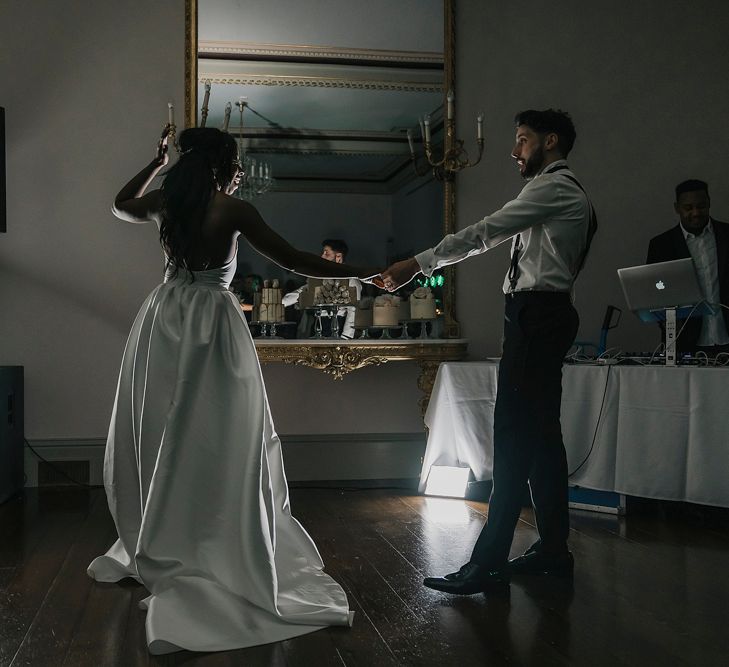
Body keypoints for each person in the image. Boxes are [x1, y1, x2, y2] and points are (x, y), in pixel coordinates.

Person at [87, 125, 380, 654]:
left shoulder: (166, 204)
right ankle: (212, 533)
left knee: (165, 428)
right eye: (237, 162)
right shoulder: (231, 210)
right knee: (222, 432)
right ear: (222, 164)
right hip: (212, 323)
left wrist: (155, 161)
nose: (242, 171)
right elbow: (292, 259)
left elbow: (119, 204)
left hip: (163, 317)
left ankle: (171, 529)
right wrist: (360, 273)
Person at [381, 109, 596, 595]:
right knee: (541, 439)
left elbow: (486, 232)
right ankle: (554, 552)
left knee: (514, 437)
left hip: (536, 316)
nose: (515, 149)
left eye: (523, 140)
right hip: (542, 314)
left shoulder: (553, 187)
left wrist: (418, 262)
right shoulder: (562, 190)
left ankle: (491, 560)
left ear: (551, 141)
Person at [646, 179, 729, 355]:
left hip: (726, 334)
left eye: (701, 206)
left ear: (709, 203)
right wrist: (665, 318)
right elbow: (652, 292)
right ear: (677, 208)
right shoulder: (661, 245)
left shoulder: (727, 235)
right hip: (684, 339)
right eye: (688, 208)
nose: (696, 212)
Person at [283, 239, 362, 338]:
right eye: (323, 252)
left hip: (339, 326)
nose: (322, 256)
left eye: (326, 254)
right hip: (318, 325)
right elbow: (303, 291)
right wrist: (280, 303)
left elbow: (353, 310)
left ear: (338, 257)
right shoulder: (319, 276)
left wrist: (346, 337)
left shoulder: (351, 279)